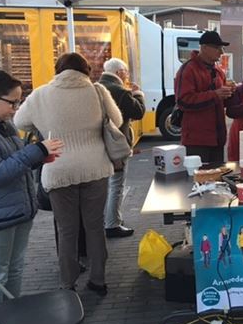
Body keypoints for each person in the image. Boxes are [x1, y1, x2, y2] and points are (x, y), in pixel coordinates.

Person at [14, 52, 122, 296]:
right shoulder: (98, 91)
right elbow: (116, 119)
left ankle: (67, 283)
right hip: (95, 168)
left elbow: (20, 122)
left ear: (58, 69)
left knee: (67, 230)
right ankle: (98, 280)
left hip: (58, 168)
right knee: (95, 227)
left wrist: (45, 125)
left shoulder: (41, 94)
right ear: (86, 70)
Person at [0, 70, 63, 315]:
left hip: (16, 210)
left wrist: (39, 158)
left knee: (14, 270)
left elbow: (13, 162)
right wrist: (35, 151)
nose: (16, 108)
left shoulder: (1, 125)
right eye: (12, 102)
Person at [98, 58, 146, 238]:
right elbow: (138, 112)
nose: (127, 76)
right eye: (125, 72)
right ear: (119, 73)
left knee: (103, 185)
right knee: (117, 185)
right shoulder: (119, 91)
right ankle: (112, 223)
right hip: (116, 145)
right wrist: (138, 93)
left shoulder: (95, 88)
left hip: (99, 145)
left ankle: (105, 219)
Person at [175, 31, 233, 164]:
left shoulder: (219, 72)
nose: (221, 52)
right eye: (217, 48)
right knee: (198, 180)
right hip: (197, 141)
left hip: (217, 139)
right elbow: (183, 101)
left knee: (216, 179)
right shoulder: (188, 69)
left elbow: (222, 102)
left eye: (222, 48)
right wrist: (216, 94)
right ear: (204, 47)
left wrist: (229, 93)